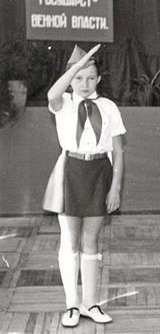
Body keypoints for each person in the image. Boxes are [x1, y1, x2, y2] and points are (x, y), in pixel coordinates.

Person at [46, 44, 126, 327]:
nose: (84, 83)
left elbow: (118, 152)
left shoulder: (108, 107)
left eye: (91, 77)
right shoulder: (64, 104)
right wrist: (76, 68)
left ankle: (90, 303)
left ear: (99, 79)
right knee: (69, 240)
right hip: (70, 171)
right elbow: (52, 94)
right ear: (71, 79)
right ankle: (72, 305)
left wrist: (115, 188)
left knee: (91, 240)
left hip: (99, 172)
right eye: (79, 77)